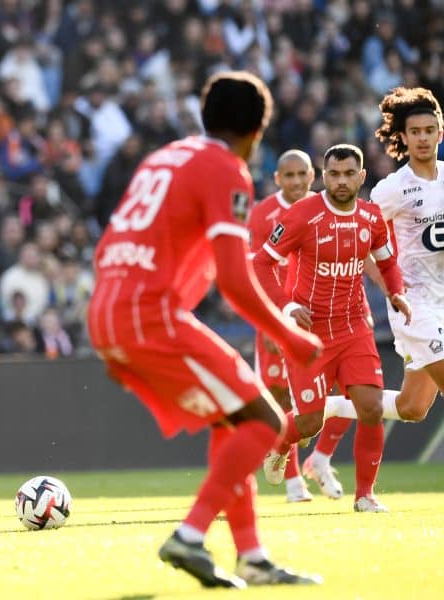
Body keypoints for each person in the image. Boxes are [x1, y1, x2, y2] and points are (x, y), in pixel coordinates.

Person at [88, 71, 323, 588]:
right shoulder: (226, 169)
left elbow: (110, 244)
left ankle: (252, 557)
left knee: (233, 423)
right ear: (257, 132)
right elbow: (236, 279)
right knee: (268, 422)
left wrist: (112, 329)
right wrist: (291, 337)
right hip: (149, 314)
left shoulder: (164, 156)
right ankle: (191, 535)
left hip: (111, 306)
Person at [253, 144, 412, 513]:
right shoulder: (302, 214)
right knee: (308, 421)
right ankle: (278, 444)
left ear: (361, 176)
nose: (341, 181)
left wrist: (397, 293)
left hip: (354, 325)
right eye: (334, 174)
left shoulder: (371, 218)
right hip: (309, 334)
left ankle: (365, 495)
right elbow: (261, 264)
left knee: (370, 407)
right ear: (323, 177)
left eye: (348, 174)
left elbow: (387, 263)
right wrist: (288, 307)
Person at [317, 86, 444, 496]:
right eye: (415, 131)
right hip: (416, 305)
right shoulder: (394, 188)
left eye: (430, 129)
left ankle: (332, 407)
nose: (423, 137)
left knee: (413, 408)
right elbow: (360, 234)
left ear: (440, 132)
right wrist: (388, 284)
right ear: (402, 138)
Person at [246, 149, 352, 503]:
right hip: (277, 319)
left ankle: (320, 459)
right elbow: (254, 269)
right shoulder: (262, 214)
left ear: (313, 176)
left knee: (345, 391)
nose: (294, 182)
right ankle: (293, 482)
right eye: (287, 176)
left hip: (322, 319)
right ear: (277, 179)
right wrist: (273, 321)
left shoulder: (327, 208)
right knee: (277, 399)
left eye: (300, 175)